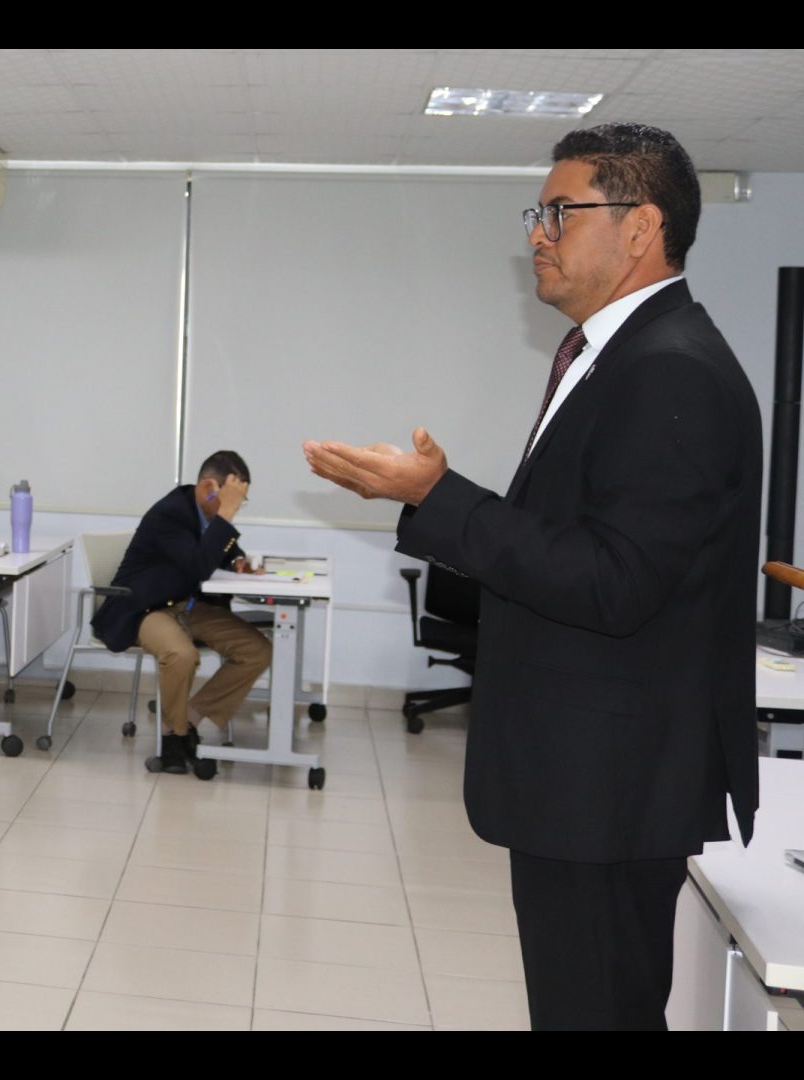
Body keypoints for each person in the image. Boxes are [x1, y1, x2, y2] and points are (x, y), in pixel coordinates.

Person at [302, 122, 760, 1031]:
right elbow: (580, 541)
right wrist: (441, 502)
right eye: (536, 214)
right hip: (593, 778)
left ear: (641, 227)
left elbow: (614, 580)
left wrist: (439, 498)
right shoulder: (618, 357)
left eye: (561, 212)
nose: (537, 235)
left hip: (611, 786)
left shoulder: (671, 371)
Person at [91, 451, 272, 774]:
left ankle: (188, 719)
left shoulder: (205, 513)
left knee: (256, 650)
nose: (234, 508)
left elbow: (221, 549)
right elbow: (199, 564)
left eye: (239, 502)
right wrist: (226, 514)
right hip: (145, 608)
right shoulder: (170, 514)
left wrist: (237, 561)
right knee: (181, 654)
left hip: (186, 606)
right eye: (232, 499)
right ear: (208, 487)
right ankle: (171, 739)